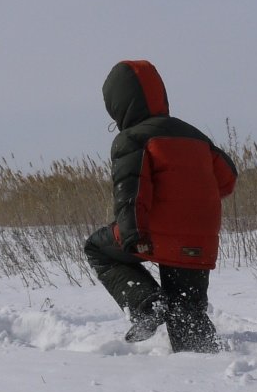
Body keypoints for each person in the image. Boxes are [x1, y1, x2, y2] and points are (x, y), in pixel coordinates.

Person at [85, 60, 237, 353]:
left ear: (118, 104)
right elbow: (228, 180)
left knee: (96, 248)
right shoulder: (196, 136)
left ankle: (147, 304)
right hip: (200, 239)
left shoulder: (132, 139)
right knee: (187, 312)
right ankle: (208, 364)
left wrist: (133, 235)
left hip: (156, 235)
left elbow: (130, 191)